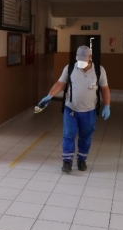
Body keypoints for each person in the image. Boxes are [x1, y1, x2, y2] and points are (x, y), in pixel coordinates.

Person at [38, 45, 111, 173]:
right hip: (71, 109)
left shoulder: (99, 70)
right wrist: (50, 96)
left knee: (86, 137)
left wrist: (107, 105)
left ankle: (81, 160)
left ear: (90, 57)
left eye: (84, 59)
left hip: (89, 111)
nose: (81, 62)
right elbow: (60, 83)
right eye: (79, 59)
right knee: (68, 135)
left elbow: (104, 88)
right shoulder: (70, 68)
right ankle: (67, 162)